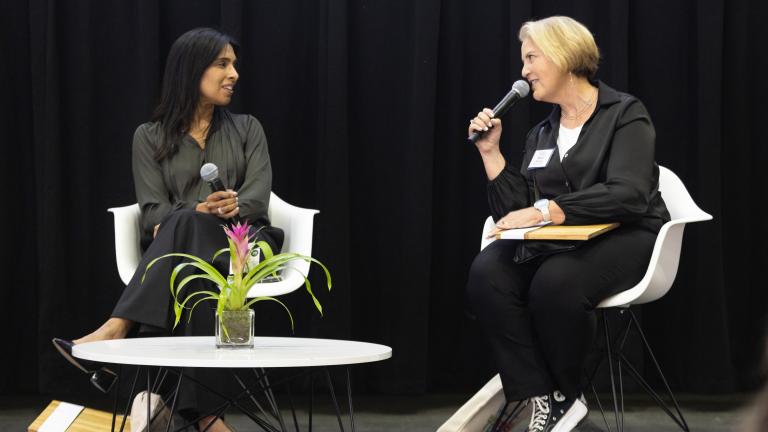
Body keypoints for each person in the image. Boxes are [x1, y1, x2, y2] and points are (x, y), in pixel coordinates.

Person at [53, 27, 281, 432]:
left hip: (243, 247)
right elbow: (152, 209)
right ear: (192, 70)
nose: (234, 75)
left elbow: (258, 200)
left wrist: (227, 206)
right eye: (222, 64)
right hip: (181, 254)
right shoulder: (149, 136)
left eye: (234, 65)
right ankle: (207, 418)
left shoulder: (249, 129)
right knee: (187, 245)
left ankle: (117, 330)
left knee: (183, 224)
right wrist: (190, 213)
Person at [465, 16, 669, 432]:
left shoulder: (625, 113)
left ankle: (563, 397)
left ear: (563, 56)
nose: (523, 73)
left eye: (531, 59)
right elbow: (517, 210)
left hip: (630, 234)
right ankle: (544, 398)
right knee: (488, 272)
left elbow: (628, 193)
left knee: (555, 282)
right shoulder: (542, 132)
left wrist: (548, 211)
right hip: (564, 243)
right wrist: (491, 155)